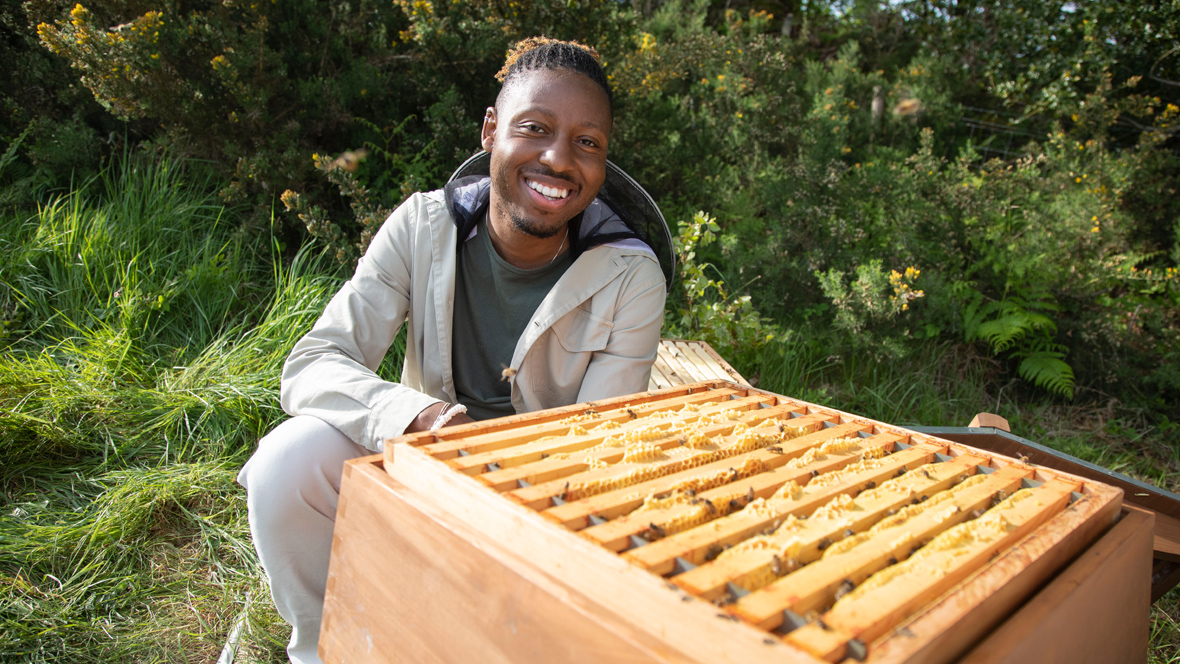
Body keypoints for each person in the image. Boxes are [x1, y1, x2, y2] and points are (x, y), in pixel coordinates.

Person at [236, 37, 675, 663]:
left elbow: (593, 450)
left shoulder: (632, 277)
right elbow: (313, 365)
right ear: (490, 131)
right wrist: (416, 416)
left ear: (603, 163)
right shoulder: (419, 226)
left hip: (543, 505)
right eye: (535, 128)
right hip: (420, 465)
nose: (559, 158)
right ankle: (321, 647)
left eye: (588, 143)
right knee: (289, 461)